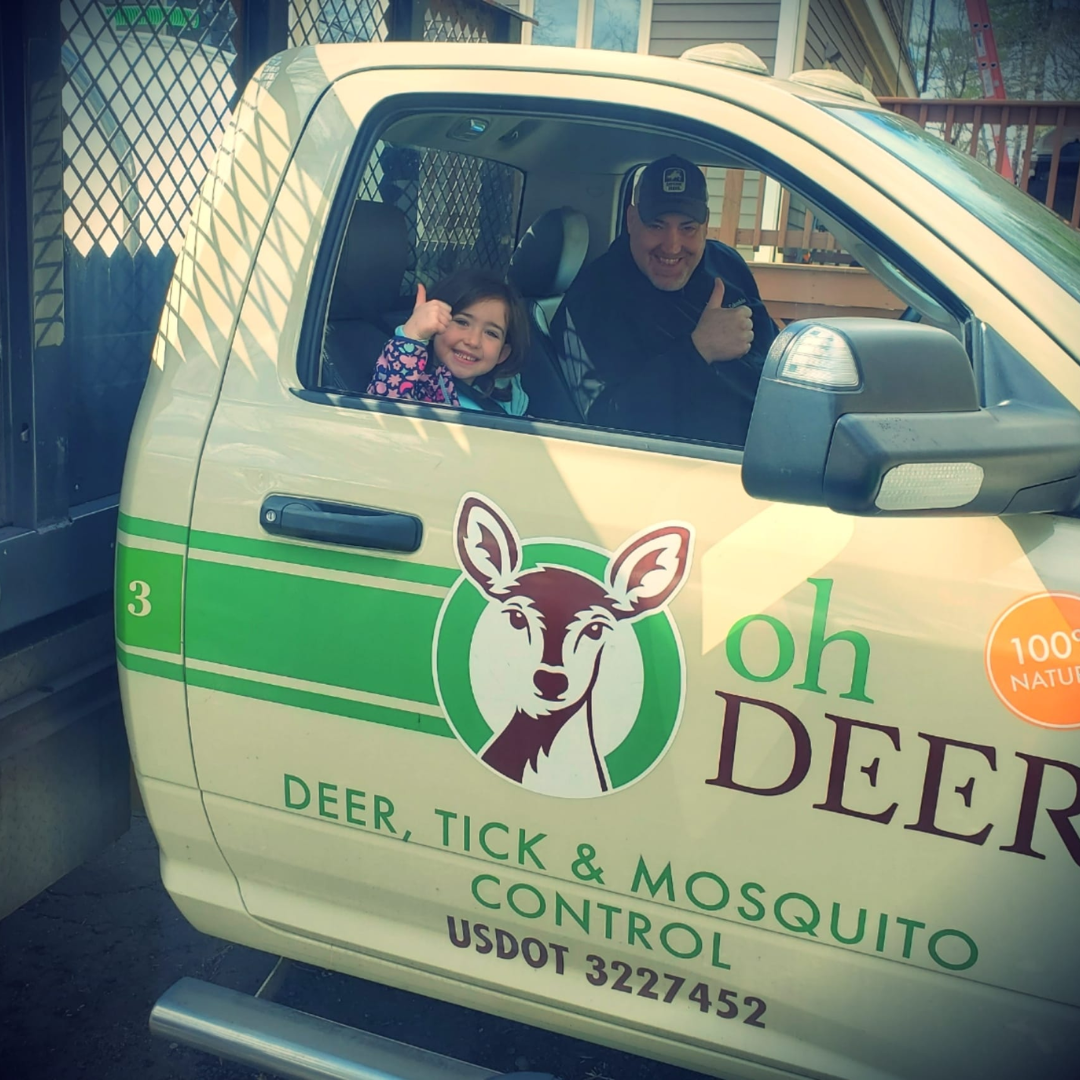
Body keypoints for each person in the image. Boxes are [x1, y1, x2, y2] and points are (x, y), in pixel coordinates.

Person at [550, 154, 777, 445]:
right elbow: (602, 423)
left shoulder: (727, 264)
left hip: (771, 446)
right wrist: (698, 351)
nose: (672, 246)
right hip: (678, 470)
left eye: (688, 228)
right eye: (656, 225)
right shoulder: (591, 299)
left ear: (705, 225)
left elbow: (773, 359)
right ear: (632, 220)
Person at [367, 268, 530, 416]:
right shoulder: (417, 387)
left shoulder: (505, 396)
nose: (473, 341)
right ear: (433, 325)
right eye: (462, 322)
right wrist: (412, 336)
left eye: (491, 333)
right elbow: (384, 413)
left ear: (502, 353)